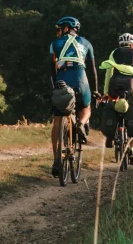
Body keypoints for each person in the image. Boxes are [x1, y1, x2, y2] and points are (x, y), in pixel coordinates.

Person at [49, 16, 99, 177]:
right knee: (86, 107)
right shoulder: (87, 43)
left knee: (57, 119)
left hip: (62, 80)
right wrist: (96, 90)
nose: (58, 31)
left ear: (65, 27)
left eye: (59, 28)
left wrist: (53, 88)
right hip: (81, 79)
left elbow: (51, 70)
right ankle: (81, 123)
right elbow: (92, 70)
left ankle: (57, 160)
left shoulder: (54, 44)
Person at [100, 33, 133, 166]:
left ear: (119, 44)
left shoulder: (114, 52)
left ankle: (110, 136)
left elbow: (108, 73)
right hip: (131, 84)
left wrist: (105, 92)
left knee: (112, 104)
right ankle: (132, 149)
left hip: (115, 83)